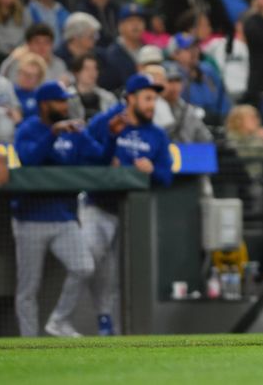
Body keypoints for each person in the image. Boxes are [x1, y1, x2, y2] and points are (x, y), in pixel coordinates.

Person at [13, 80, 104, 337]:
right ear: (45, 104)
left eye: (66, 101)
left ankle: (59, 320)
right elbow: (28, 160)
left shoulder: (71, 130)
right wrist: (52, 133)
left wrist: (91, 133)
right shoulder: (28, 128)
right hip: (30, 217)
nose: (65, 106)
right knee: (29, 288)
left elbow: (98, 157)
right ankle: (28, 343)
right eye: (59, 101)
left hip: (63, 216)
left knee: (83, 266)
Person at [84, 73, 173, 335]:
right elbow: (86, 157)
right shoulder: (104, 123)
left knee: (128, 275)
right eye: (146, 98)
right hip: (98, 205)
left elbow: (166, 177)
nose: (151, 104)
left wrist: (151, 170)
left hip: (133, 214)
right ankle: (100, 319)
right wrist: (108, 163)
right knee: (87, 262)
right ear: (130, 99)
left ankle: (126, 332)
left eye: (154, 99)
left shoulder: (156, 134)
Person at [98, 3, 145, 93]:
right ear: (120, 26)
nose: (136, 25)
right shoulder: (111, 54)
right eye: (130, 21)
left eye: (139, 20)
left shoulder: (148, 50)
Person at [0, 23, 69, 83]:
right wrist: (12, 58)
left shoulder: (59, 64)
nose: (42, 47)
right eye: (37, 42)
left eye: (46, 42)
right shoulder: (18, 63)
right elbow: (4, 81)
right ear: (28, 45)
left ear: (52, 45)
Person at [161, 63, 213, 143]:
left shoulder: (188, 110)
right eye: (170, 81)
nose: (174, 86)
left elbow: (206, 139)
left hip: (187, 153)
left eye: (177, 81)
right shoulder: (154, 109)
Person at [68, 53, 117, 122]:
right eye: (87, 69)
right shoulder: (67, 97)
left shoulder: (108, 97)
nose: (92, 73)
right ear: (76, 73)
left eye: (95, 68)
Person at [13, 52, 48, 120]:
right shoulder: (9, 92)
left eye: (31, 76)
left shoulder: (42, 97)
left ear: (39, 78)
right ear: (19, 73)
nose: (26, 78)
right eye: (24, 73)